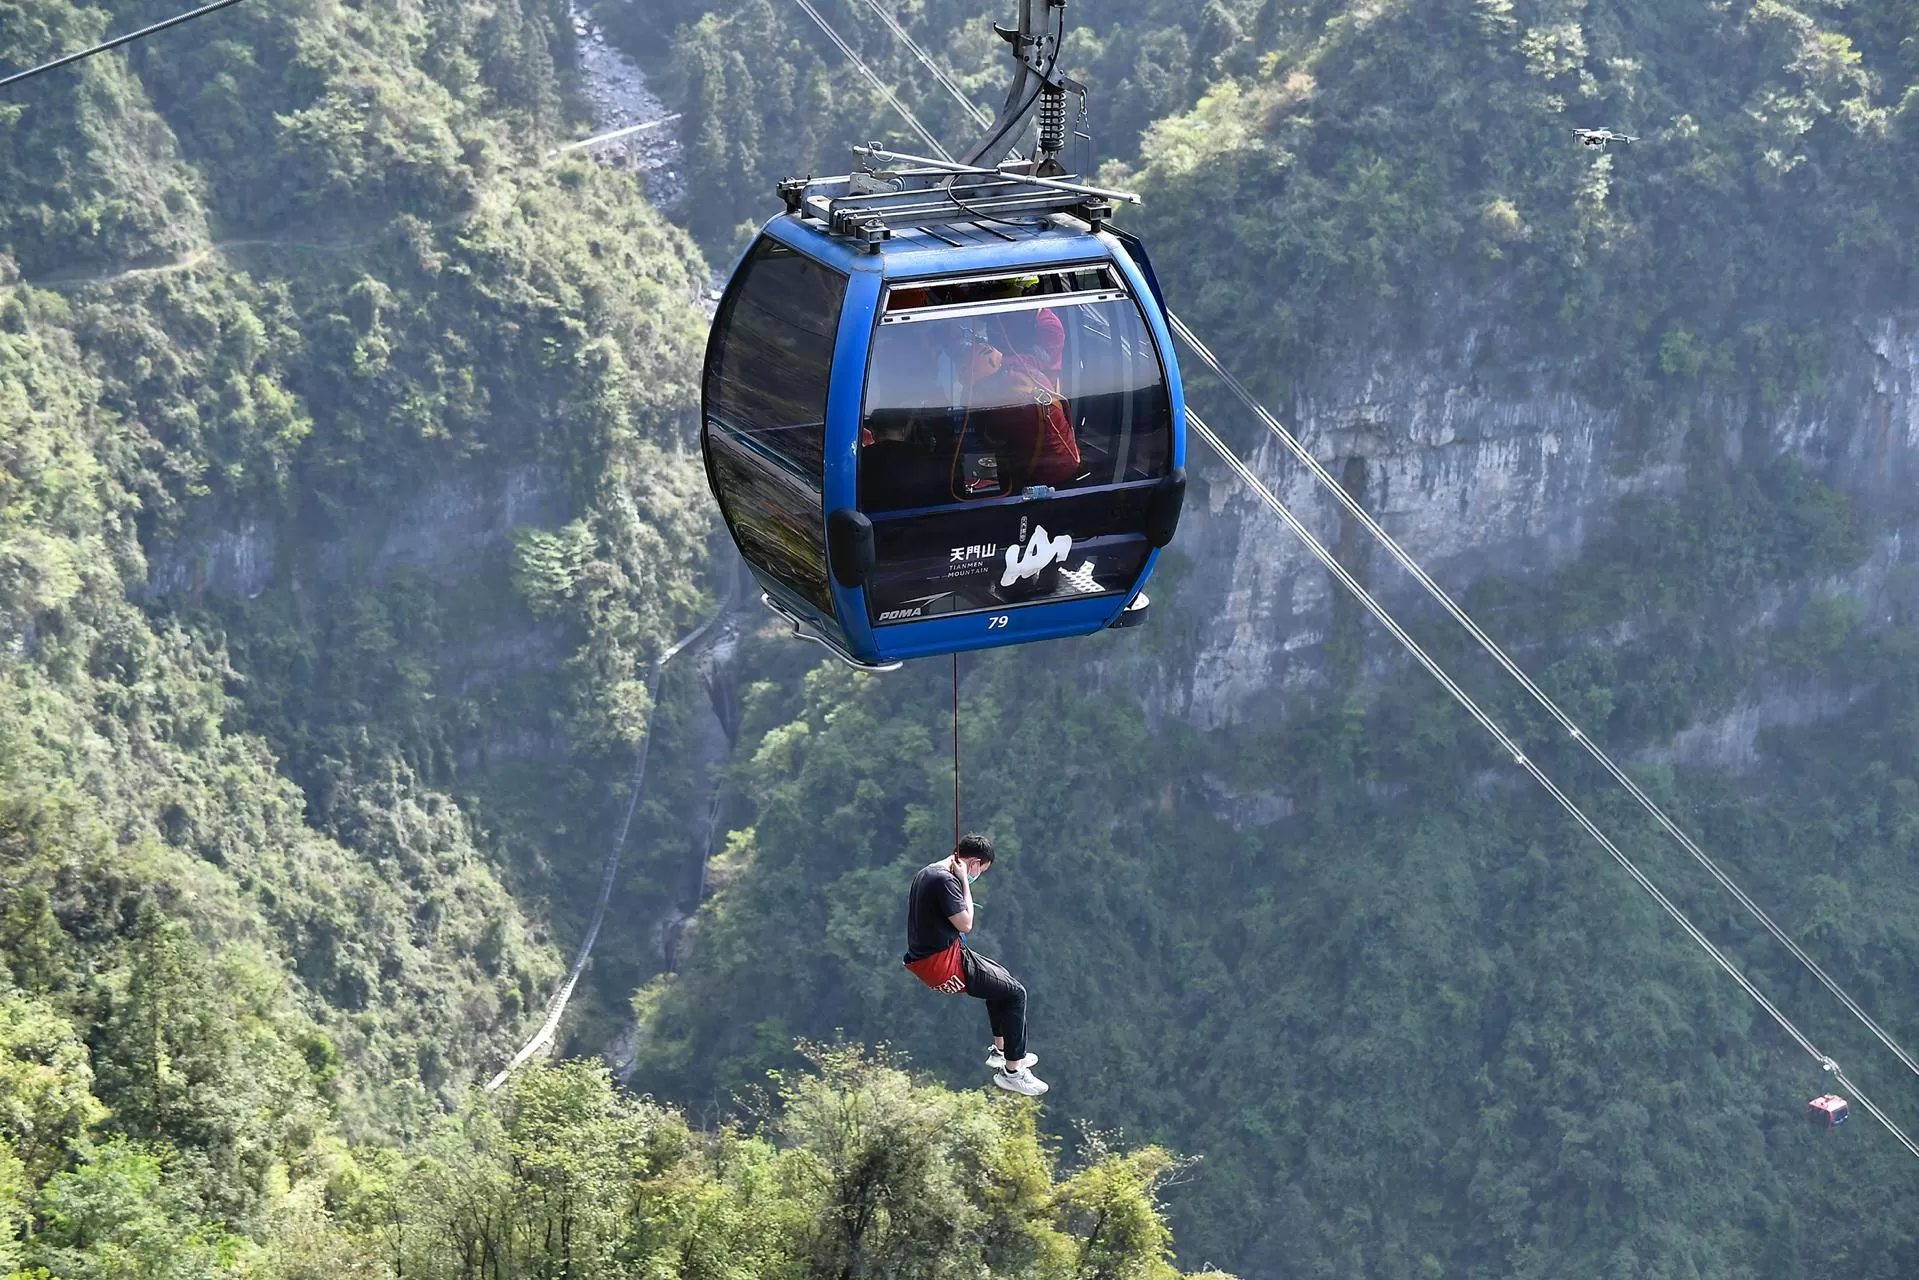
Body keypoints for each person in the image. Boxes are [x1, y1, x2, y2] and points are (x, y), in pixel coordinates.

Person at [901, 833, 1048, 1096]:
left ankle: (1001, 1052)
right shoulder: (945, 879)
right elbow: (966, 923)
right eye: (980, 870)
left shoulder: (928, 872)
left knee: (1002, 982)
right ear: (972, 863)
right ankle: (1013, 1071)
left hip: (937, 957)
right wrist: (964, 885)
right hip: (943, 962)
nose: (976, 876)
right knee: (1016, 993)